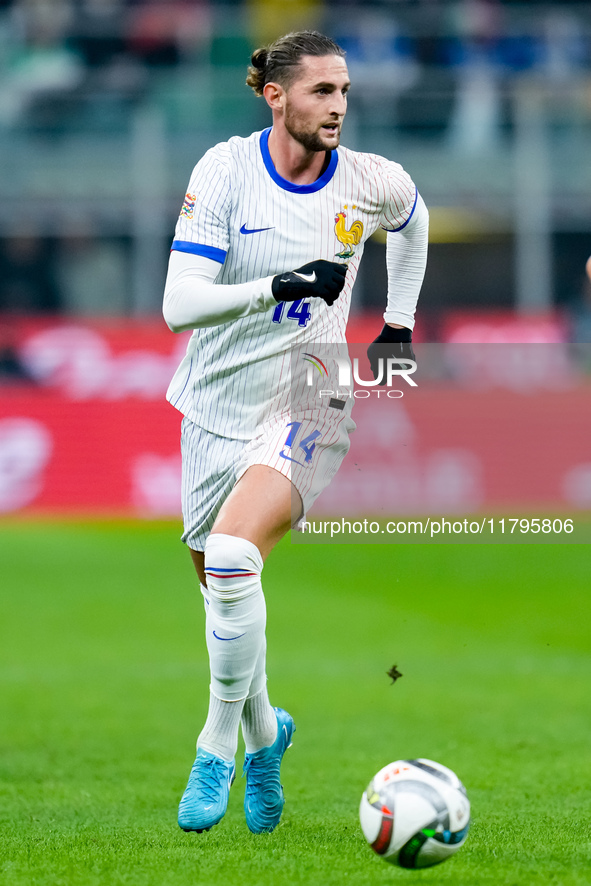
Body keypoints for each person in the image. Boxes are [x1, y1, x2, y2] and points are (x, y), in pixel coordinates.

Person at [162, 29, 429, 835]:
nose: (338, 106)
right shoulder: (226, 170)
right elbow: (179, 305)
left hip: (310, 399)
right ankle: (267, 731)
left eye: (344, 90)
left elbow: (412, 219)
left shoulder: (368, 181)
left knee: (237, 556)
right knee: (222, 590)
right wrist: (271, 286)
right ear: (274, 95)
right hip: (212, 403)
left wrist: (399, 321)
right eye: (320, 91)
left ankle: (215, 748)